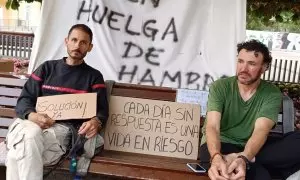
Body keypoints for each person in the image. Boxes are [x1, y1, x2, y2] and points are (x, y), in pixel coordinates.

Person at [5, 24, 109, 180]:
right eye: (74, 40)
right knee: (31, 134)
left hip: (60, 131)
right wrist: (33, 116)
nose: (77, 45)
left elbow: (102, 111)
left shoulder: (93, 77)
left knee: (17, 153)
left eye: (83, 42)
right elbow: (24, 101)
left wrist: (95, 121)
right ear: (66, 41)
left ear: (90, 47)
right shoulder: (46, 68)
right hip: (30, 123)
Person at [200, 39, 300, 180]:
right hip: (221, 144)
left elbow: (261, 131)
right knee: (261, 176)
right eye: (240, 61)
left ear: (264, 67)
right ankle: (252, 163)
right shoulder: (220, 87)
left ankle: (242, 160)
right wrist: (216, 156)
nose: (243, 69)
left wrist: (244, 157)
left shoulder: (271, 93)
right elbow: (212, 126)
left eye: (251, 64)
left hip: (252, 147)